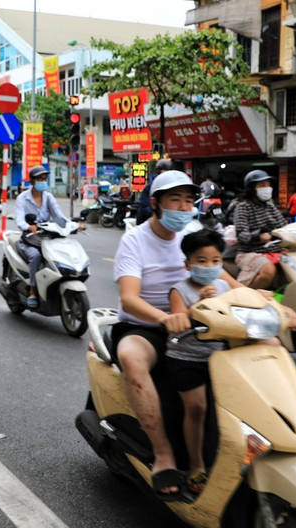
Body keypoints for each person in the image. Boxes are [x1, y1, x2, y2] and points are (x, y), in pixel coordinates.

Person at [112, 170, 245, 500]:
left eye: (189, 200)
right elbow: (129, 297)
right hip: (146, 326)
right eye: (176, 200)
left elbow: (219, 270)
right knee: (131, 356)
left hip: (201, 322)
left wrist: (256, 296)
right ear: (156, 204)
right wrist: (166, 318)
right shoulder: (134, 240)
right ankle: (164, 455)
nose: (184, 207)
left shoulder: (194, 230)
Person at [165, 229, 231, 496]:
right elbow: (178, 323)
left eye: (215, 260)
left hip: (221, 358)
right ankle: (196, 466)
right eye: (201, 261)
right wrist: (201, 304)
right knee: (198, 408)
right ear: (187, 264)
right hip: (186, 359)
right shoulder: (179, 290)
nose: (209, 266)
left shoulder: (225, 287)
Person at [15, 165, 74, 308]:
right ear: (32, 181)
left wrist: (73, 224)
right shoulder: (22, 198)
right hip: (30, 237)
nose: (43, 181)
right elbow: (19, 220)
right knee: (35, 256)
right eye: (39, 179)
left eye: (44, 178)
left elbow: (59, 216)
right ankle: (33, 290)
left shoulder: (48, 197)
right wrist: (28, 226)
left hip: (48, 237)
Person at [232, 170, 287, 289]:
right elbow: (242, 234)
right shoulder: (243, 207)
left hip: (276, 250)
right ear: (252, 189)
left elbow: (284, 227)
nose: (267, 188)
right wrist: (258, 235)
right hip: (250, 251)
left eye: (268, 185)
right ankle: (248, 298)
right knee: (269, 271)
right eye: (262, 185)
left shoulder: (270, 206)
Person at [136, 158, 173, 224]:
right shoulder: (152, 185)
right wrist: (159, 214)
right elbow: (145, 207)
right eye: (164, 171)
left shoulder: (172, 185)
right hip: (149, 221)